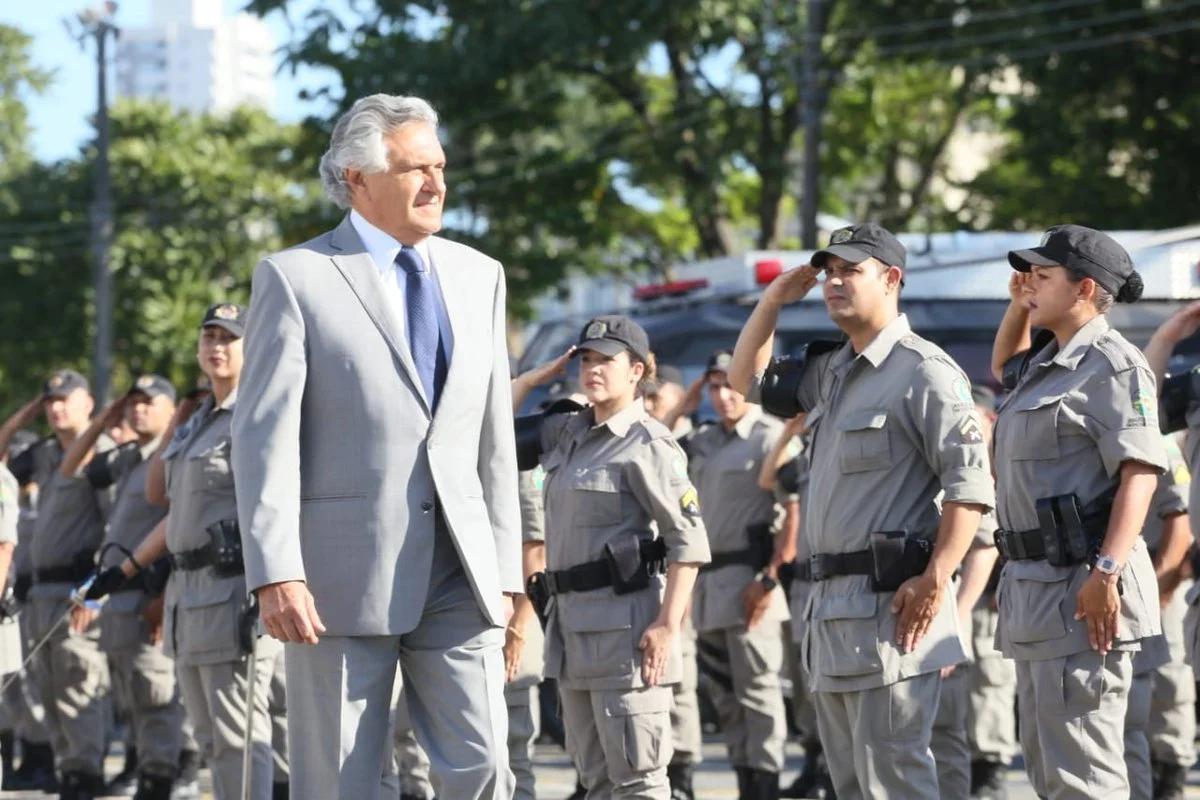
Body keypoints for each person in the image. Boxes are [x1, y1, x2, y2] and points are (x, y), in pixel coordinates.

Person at [231, 93, 522, 800]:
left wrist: (508, 570)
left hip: (461, 570)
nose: (436, 183)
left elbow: (493, 436)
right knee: (341, 780)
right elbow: (263, 438)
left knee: (485, 764)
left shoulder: (479, 275)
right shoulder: (295, 277)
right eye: (414, 168)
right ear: (356, 178)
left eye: (441, 166)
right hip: (337, 581)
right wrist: (276, 572)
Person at [727, 223, 994, 799]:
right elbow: (743, 379)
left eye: (851, 270)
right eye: (828, 271)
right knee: (848, 786)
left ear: (891, 278)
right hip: (830, 612)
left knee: (897, 783)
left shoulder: (924, 370)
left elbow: (970, 487)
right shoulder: (831, 370)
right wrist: (773, 298)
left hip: (891, 610)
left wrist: (936, 577)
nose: (833, 282)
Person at [989, 224, 1166, 799]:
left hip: (1083, 588)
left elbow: (1141, 471)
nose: (1028, 285)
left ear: (1085, 288)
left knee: (1083, 776)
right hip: (1039, 592)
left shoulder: (1115, 365)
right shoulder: (1048, 362)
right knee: (1049, 771)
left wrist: (1107, 572)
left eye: (1042, 277)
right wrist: (1020, 304)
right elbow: (1002, 366)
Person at [98, 304, 284, 800]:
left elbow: (280, 503)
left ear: (253, 346)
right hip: (187, 594)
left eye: (229, 338)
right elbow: (167, 503)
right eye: (209, 337)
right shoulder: (198, 420)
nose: (216, 346)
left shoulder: (258, 413)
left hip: (231, 593)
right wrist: (125, 568)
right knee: (206, 738)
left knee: (238, 737)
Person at [533, 315, 711, 798]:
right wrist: (537, 378)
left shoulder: (648, 443)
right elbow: (487, 423)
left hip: (626, 637)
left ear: (636, 371)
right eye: (585, 359)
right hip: (571, 633)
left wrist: (667, 626)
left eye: (605, 360)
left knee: (639, 782)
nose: (592, 369)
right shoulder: (569, 433)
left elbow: (687, 541)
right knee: (595, 782)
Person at [58, 374, 184, 800]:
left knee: (156, 699)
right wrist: (101, 422)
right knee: (133, 703)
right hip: (119, 599)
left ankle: (161, 780)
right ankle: (148, 774)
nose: (137, 409)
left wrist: (165, 599)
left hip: (150, 596)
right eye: (131, 403)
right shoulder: (129, 458)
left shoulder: (174, 456)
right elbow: (70, 469)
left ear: (172, 410)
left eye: (149, 402)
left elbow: (182, 531)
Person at [3, 370, 114, 798]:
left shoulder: (102, 453)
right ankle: (69, 774)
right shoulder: (45, 452)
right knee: (48, 694)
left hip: (77, 590)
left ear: (89, 402)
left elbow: (114, 525)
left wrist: (96, 591)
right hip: (40, 593)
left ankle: (86, 777)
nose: (55, 407)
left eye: (65, 398)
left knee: (78, 689)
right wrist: (21, 416)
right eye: (48, 401)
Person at [687, 348, 791, 797]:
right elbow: (657, 427)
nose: (723, 396)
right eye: (714, 387)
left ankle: (765, 782)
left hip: (751, 582)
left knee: (759, 694)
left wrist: (769, 578)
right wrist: (690, 393)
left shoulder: (771, 437)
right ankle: (744, 780)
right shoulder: (702, 440)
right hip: (708, 587)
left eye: (731, 384)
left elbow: (794, 512)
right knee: (726, 697)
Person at [642, 365, 706, 800]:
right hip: (655, 577)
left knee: (680, 679)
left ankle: (682, 773)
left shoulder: (688, 442)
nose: (648, 407)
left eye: (656, 399)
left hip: (688, 575)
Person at [953, 387, 1017, 800]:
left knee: (990, 686)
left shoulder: (1009, 468)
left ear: (992, 421)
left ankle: (991, 771)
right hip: (958, 592)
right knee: (957, 692)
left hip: (996, 598)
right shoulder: (958, 465)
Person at [1122, 436, 1188, 800]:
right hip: (1121, 578)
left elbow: (1180, 523)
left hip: (1159, 575)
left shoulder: (1159, 441)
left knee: (1167, 682)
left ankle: (1172, 770)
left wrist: (1161, 588)